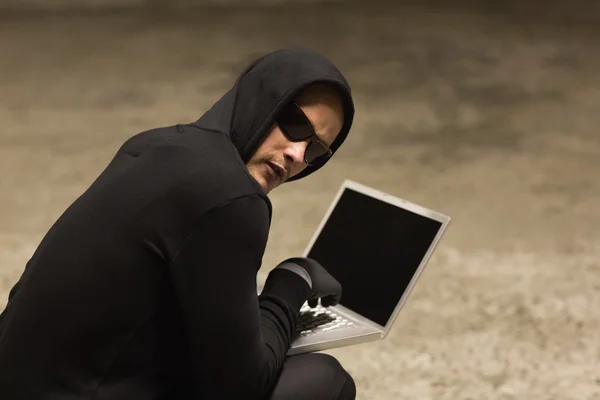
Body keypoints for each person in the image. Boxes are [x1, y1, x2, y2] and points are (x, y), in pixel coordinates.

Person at [0, 47, 356, 400]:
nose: (296, 155)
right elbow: (242, 387)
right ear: (262, 100)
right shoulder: (231, 197)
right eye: (295, 125)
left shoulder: (153, 145)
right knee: (326, 380)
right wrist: (293, 282)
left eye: (315, 151)